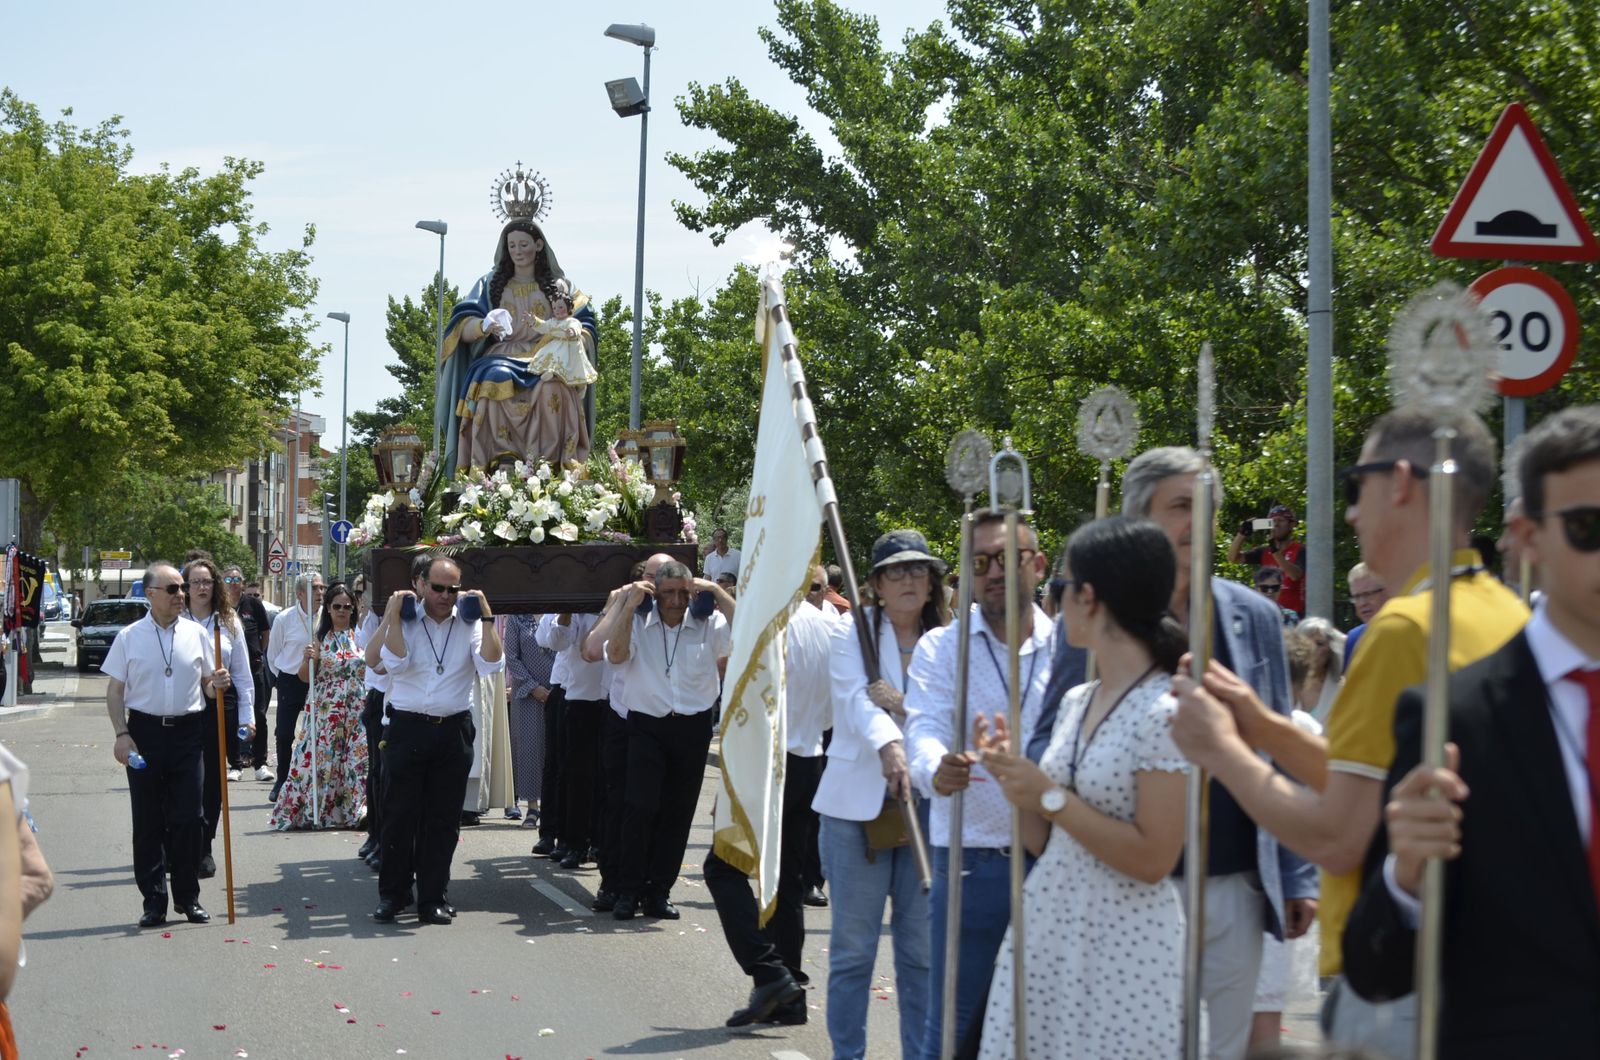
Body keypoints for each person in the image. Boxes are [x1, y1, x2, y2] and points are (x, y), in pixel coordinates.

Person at [1170, 408, 1527, 1057]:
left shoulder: (1402, 631)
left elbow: (1339, 835)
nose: (1352, 513)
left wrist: (1222, 750)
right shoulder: (1506, 613)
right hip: (1492, 962)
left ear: (1399, 484)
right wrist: (1265, 726)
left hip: (1401, 976)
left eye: (1355, 484)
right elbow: (1370, 775)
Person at [1341, 405, 1600, 1057]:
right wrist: (1405, 877)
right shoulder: (1452, 717)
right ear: (1527, 535)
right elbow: (1376, 968)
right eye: (1588, 528)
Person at [973, 516, 1191, 1058]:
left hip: (1125, 941)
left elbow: (1154, 857)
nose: (1051, 601)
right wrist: (1014, 781)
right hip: (1054, 925)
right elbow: (1044, 840)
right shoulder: (1077, 701)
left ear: (1088, 597)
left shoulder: (1165, 711)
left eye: (1057, 588)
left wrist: (1047, 795)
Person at [905, 514, 1053, 1056]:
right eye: (980, 562)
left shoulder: (1070, 650)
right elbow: (922, 727)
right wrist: (936, 768)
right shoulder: (943, 648)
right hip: (969, 860)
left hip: (1054, 858)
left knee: (1042, 1028)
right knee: (953, 1031)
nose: (993, 573)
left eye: (1006, 559)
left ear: (1036, 565)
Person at [811, 530, 946, 1060]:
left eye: (918, 570)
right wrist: (893, 743)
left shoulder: (948, 639)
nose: (909, 580)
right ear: (876, 584)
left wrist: (904, 707)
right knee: (852, 952)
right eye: (896, 571)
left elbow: (955, 716)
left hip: (928, 809)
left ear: (933, 581)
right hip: (855, 811)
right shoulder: (853, 632)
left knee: (920, 956)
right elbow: (855, 702)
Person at [708, 592, 834, 1027]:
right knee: (785, 881)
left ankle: (770, 972)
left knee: (722, 868)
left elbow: (747, 698)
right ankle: (791, 993)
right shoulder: (823, 622)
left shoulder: (767, 621)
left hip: (770, 761)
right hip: (808, 757)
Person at [103, 562, 243, 927]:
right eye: (173, 589)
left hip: (187, 733)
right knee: (148, 820)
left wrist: (218, 684)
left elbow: (207, 688)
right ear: (150, 594)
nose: (181, 595)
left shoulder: (197, 634)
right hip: (145, 733)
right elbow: (116, 691)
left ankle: (188, 896)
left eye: (182, 588)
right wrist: (122, 734)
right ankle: (153, 900)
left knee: (190, 817)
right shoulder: (129, 637)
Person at [371, 554, 504, 924]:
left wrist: (489, 618)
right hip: (407, 728)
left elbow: (492, 665)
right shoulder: (408, 619)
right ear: (420, 584)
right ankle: (394, 895)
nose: (445, 596)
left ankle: (432, 897)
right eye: (438, 587)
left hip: (452, 729)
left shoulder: (470, 622)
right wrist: (394, 615)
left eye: (452, 589)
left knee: (443, 820)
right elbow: (392, 662)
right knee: (399, 816)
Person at [604, 561, 735, 921]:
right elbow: (615, 655)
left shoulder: (711, 623)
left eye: (683, 592)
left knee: (677, 815)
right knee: (640, 808)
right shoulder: (637, 621)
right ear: (655, 593)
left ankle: (659, 891)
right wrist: (629, 606)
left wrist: (719, 593)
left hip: (692, 728)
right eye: (668, 593)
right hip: (647, 726)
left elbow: (751, 635)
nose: (676, 601)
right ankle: (628, 891)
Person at [437, 219, 597, 476]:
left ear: (538, 245)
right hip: (503, 355)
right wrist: (484, 325)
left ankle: (550, 464)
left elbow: (585, 324)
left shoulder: (560, 286)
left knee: (553, 386)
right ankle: (502, 459)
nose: (518, 251)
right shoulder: (489, 285)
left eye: (523, 244)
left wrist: (574, 334)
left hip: (548, 355)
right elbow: (460, 328)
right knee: (494, 377)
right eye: (512, 245)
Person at [181, 558, 256, 878]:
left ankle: (204, 846)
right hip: (181, 708)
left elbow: (242, 673)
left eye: (207, 582)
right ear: (184, 587)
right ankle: (180, 844)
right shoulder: (175, 619)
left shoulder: (228, 621)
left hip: (219, 708)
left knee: (212, 783)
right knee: (184, 782)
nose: (202, 588)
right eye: (195, 582)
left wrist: (247, 716)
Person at [271, 583, 368, 830]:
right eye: (337, 606)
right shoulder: (319, 639)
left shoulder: (362, 636)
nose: (343, 611)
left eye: (347, 606)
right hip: (328, 710)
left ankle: (357, 810)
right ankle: (319, 810)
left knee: (356, 761)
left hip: (356, 708)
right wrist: (308, 659)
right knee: (324, 760)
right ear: (328, 608)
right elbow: (305, 677)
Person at [537, 611, 608, 869]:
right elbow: (555, 641)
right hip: (581, 697)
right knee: (574, 775)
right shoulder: (577, 611)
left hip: (617, 699)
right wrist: (566, 610)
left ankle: (600, 843)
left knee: (608, 777)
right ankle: (573, 842)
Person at [265, 574, 325, 802]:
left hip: (318, 680)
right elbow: (273, 655)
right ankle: (282, 780)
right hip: (290, 679)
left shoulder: (326, 616)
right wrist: (282, 679)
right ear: (300, 593)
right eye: (314, 588)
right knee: (284, 733)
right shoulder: (284, 619)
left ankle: (313, 781)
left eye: (321, 588)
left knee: (317, 733)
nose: (320, 592)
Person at [222, 565, 275, 783]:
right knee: (231, 718)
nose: (234, 583)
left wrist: (256, 655)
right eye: (229, 579)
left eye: (237, 579)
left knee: (258, 716)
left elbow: (265, 633)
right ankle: (235, 764)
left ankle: (260, 763)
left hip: (253, 667)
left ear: (242, 582)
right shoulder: (221, 608)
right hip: (228, 672)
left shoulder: (253, 604)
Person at [502, 614, 552, 830]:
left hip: (559, 689)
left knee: (554, 750)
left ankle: (553, 808)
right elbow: (511, 657)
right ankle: (532, 806)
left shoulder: (559, 612)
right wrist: (534, 687)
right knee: (529, 749)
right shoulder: (517, 618)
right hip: (527, 692)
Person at [356, 578, 388, 869]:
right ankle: (376, 835)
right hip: (381, 696)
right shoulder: (377, 613)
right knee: (377, 771)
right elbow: (367, 651)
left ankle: (389, 840)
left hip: (406, 700)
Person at [1229, 504, 1307, 617]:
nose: (1276, 524)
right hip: (1269, 614)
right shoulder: (1265, 551)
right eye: (1272, 521)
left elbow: (1295, 575)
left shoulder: (1300, 549)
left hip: (1294, 616)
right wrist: (1242, 534)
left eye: (1281, 520)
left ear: (1292, 525)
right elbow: (1233, 558)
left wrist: (1275, 552)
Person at [1295, 617, 1345, 724]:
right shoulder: (1284, 685)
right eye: (1305, 642)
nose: (1312, 649)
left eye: (1319, 644)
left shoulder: (1345, 688)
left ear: (1331, 650)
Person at [1342, 562, 1388, 667]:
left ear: (1388, 591)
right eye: (1356, 597)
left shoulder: (1410, 634)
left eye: (1368, 594)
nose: (1362, 603)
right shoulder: (1352, 640)